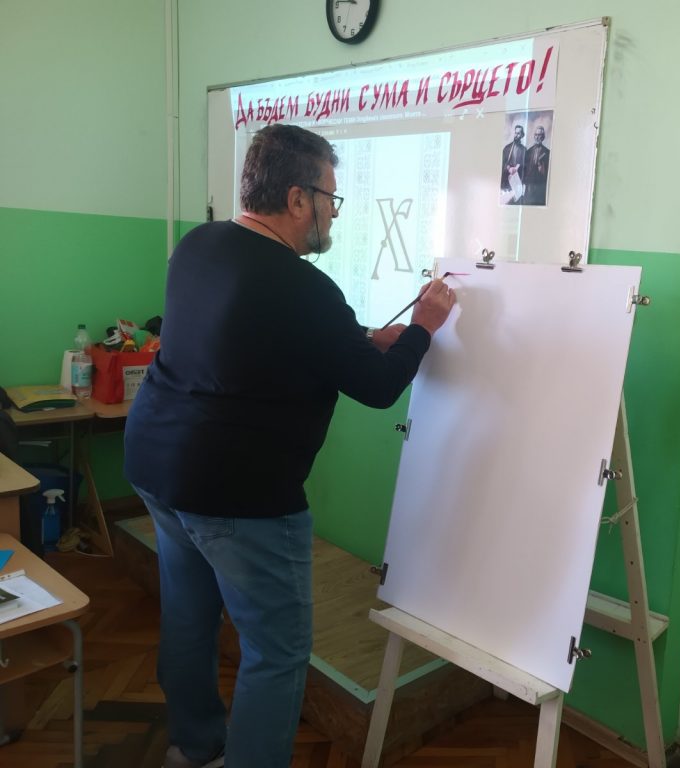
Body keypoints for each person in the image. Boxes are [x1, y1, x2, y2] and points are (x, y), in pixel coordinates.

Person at [123, 123, 455, 768]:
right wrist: (422, 328)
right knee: (276, 652)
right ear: (298, 198)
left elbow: (254, 331)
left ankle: (193, 748)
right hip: (237, 494)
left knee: (188, 619)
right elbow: (378, 388)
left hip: (156, 465)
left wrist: (364, 337)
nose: (335, 211)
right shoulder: (306, 288)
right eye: (331, 196)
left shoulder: (198, 244)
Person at [522, 125, 551, 206]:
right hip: (528, 187)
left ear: (543, 137)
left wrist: (542, 170)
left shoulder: (548, 153)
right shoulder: (528, 151)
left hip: (540, 188)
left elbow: (549, 175)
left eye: (540, 135)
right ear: (534, 136)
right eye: (536, 135)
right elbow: (524, 170)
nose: (538, 137)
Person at [499, 124, 526, 203]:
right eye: (515, 133)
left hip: (517, 181)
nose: (516, 135)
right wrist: (509, 168)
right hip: (506, 181)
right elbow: (503, 162)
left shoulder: (524, 150)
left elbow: (523, 164)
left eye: (518, 133)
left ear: (522, 135)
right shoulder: (507, 148)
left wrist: (516, 169)